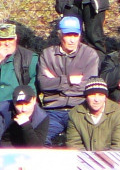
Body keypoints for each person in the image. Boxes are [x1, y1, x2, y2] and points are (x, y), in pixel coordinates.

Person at [37, 16, 100, 146]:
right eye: (68, 35)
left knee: (81, 142)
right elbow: (43, 84)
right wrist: (69, 80)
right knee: (40, 140)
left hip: (79, 108)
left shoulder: (90, 55)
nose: (72, 40)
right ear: (60, 35)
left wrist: (56, 82)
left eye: (75, 35)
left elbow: (89, 87)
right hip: (52, 108)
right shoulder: (47, 54)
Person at [0, 84, 48, 148]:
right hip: (0, 153)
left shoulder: (42, 117)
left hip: (25, 157)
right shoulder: (1, 109)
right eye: (19, 104)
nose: (23, 109)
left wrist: (26, 125)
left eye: (27, 103)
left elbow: (37, 148)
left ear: (34, 100)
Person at [66, 77, 120, 151]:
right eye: (92, 95)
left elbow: (119, 145)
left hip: (111, 160)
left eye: (101, 95)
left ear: (105, 97)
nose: (96, 99)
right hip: (84, 160)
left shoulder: (118, 113)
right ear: (86, 97)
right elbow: (74, 145)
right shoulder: (75, 113)